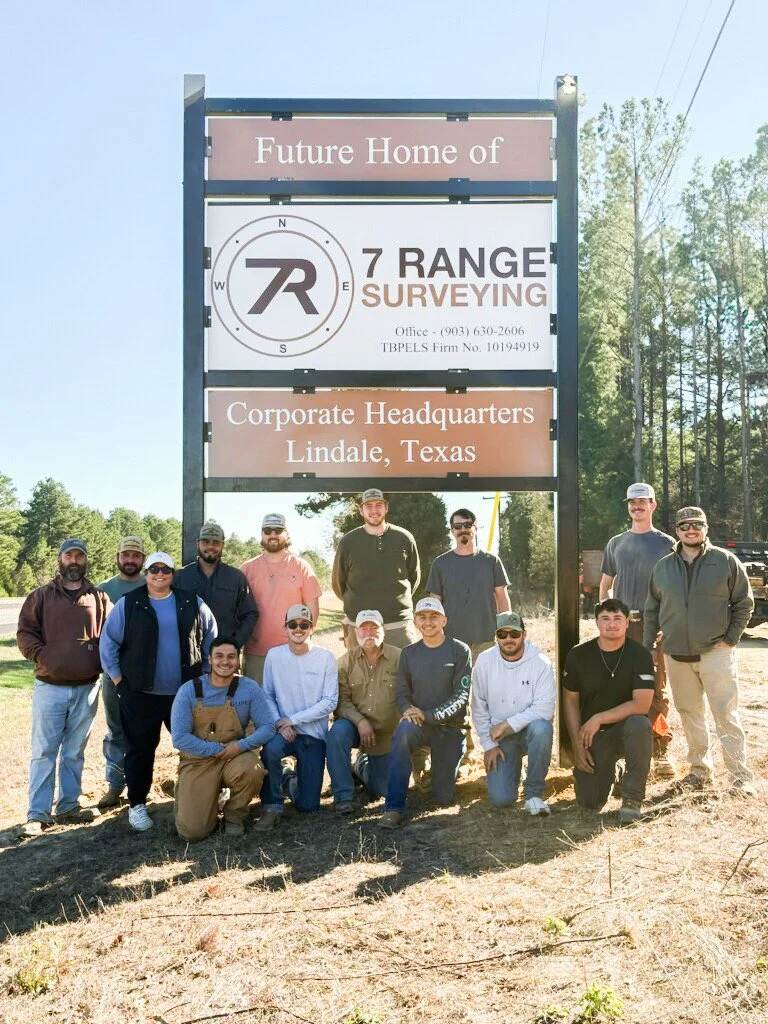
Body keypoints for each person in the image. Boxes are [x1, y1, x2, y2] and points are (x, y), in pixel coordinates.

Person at [99, 552, 217, 831]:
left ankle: (199, 798)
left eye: (166, 569)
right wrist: (118, 680)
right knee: (140, 751)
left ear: (173, 574)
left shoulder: (192, 602)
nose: (159, 573)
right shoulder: (129, 603)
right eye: (154, 568)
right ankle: (137, 805)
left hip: (185, 693)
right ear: (146, 572)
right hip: (140, 694)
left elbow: (211, 637)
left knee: (194, 746)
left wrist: (207, 675)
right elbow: (108, 643)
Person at [644, 506, 755, 795]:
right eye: (684, 526)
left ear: (705, 528)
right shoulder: (663, 566)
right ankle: (699, 771)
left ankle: (740, 778)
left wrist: (730, 639)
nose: (691, 530)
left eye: (697, 524)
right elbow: (651, 609)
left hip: (715, 652)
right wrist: (649, 646)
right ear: (677, 531)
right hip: (676, 654)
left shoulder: (725, 561)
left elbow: (744, 603)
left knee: (725, 713)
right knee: (689, 713)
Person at [16, 539, 112, 838]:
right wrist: (43, 656)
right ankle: (38, 813)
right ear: (60, 559)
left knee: (74, 750)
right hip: (50, 687)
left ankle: (69, 805)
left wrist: (95, 659)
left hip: (87, 687)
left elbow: (110, 636)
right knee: (44, 751)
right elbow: (25, 633)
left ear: (85, 560)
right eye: (68, 555)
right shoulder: (41, 596)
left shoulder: (99, 597)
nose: (74, 561)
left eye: (79, 556)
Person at [599, 483, 676, 777]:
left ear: (653, 505)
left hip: (654, 626)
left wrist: (667, 624)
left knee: (655, 689)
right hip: (622, 627)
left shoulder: (667, 543)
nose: (637, 506)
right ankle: (621, 753)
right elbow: (605, 586)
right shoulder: (616, 543)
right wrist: (608, 620)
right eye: (632, 502)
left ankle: (659, 749)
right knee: (618, 687)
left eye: (643, 501)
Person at [170, 636, 276, 840]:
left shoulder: (249, 688)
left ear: (238, 660)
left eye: (231, 657)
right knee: (193, 833)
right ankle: (187, 791)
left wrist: (241, 745)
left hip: (234, 756)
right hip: (198, 762)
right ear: (209, 659)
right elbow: (180, 738)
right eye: (219, 656)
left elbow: (268, 727)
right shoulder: (189, 691)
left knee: (252, 769)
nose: (225, 661)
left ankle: (234, 817)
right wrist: (215, 749)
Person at [380, 597, 471, 828]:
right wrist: (408, 711)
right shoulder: (409, 653)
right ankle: (393, 807)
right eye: (422, 616)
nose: (428, 622)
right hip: (419, 725)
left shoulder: (460, 650)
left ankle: (446, 768)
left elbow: (460, 697)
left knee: (443, 798)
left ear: (444, 620)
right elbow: (401, 693)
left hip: (450, 728)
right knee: (402, 734)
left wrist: (428, 714)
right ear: (415, 621)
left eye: (434, 617)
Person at [563, 599, 655, 825]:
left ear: (627, 623)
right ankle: (613, 769)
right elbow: (570, 700)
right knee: (588, 802)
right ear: (596, 623)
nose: (611, 624)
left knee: (639, 724)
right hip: (594, 736)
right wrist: (577, 745)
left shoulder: (640, 655)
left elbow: (641, 705)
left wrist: (599, 717)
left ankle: (632, 798)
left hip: (627, 731)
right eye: (605, 618)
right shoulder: (578, 655)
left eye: (617, 619)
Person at [256, 604, 338, 829]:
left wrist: (293, 719)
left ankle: (287, 778)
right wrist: (282, 725)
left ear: (312, 628)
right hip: (285, 732)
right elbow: (267, 695)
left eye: (304, 624)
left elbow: (330, 702)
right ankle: (272, 805)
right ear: (285, 628)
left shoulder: (325, 658)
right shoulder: (274, 656)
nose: (298, 629)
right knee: (271, 750)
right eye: (293, 624)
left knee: (308, 806)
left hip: (313, 735)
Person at [470, 612, 555, 815]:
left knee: (542, 728)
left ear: (524, 634)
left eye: (514, 634)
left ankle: (533, 794)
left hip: (529, 733)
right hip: (501, 738)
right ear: (496, 636)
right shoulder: (484, 661)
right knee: (502, 800)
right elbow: (478, 707)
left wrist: (507, 724)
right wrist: (489, 745)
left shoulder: (541, 663)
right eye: (503, 633)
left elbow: (545, 709)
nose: (508, 639)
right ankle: (514, 769)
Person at [326, 610, 401, 814]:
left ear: (383, 630)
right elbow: (341, 701)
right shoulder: (344, 662)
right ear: (356, 632)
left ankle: (360, 764)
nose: (369, 633)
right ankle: (343, 795)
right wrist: (360, 721)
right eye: (364, 628)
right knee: (337, 734)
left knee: (381, 791)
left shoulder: (399, 658)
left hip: (385, 733)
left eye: (374, 627)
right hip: (353, 726)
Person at [332, 489, 421, 651]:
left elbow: (414, 578)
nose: (374, 511)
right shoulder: (348, 542)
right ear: (361, 510)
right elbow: (339, 584)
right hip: (359, 625)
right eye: (369, 506)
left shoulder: (404, 538)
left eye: (379, 505)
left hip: (398, 625)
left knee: (404, 674)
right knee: (360, 675)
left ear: (386, 508)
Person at [96, 535, 147, 809]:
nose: (130, 560)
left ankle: (142, 783)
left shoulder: (152, 583)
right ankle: (115, 785)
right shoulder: (103, 589)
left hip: (145, 674)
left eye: (136, 556)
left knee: (145, 730)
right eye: (125, 555)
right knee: (116, 730)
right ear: (118, 557)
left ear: (143, 559)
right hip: (112, 673)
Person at [240, 514, 322, 684]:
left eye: (278, 530)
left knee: (292, 705)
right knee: (257, 705)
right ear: (262, 534)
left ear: (287, 534)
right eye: (267, 530)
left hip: (292, 650)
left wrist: (303, 643)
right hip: (256, 653)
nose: (273, 535)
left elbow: (312, 609)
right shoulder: (247, 569)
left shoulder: (301, 567)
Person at [426, 508, 511, 660]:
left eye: (467, 525)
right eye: (458, 526)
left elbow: (502, 598)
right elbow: (434, 604)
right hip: (451, 641)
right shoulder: (440, 564)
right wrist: (434, 635)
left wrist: (507, 631)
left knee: (487, 684)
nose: (462, 529)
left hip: (486, 640)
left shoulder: (491, 561)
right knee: (454, 684)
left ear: (475, 529)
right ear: (452, 531)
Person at [174, 521, 258, 653]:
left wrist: (235, 643)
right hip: (187, 654)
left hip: (225, 656)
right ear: (198, 543)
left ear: (223, 545)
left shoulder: (236, 578)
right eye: (205, 542)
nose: (210, 546)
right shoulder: (180, 577)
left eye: (216, 543)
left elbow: (250, 614)